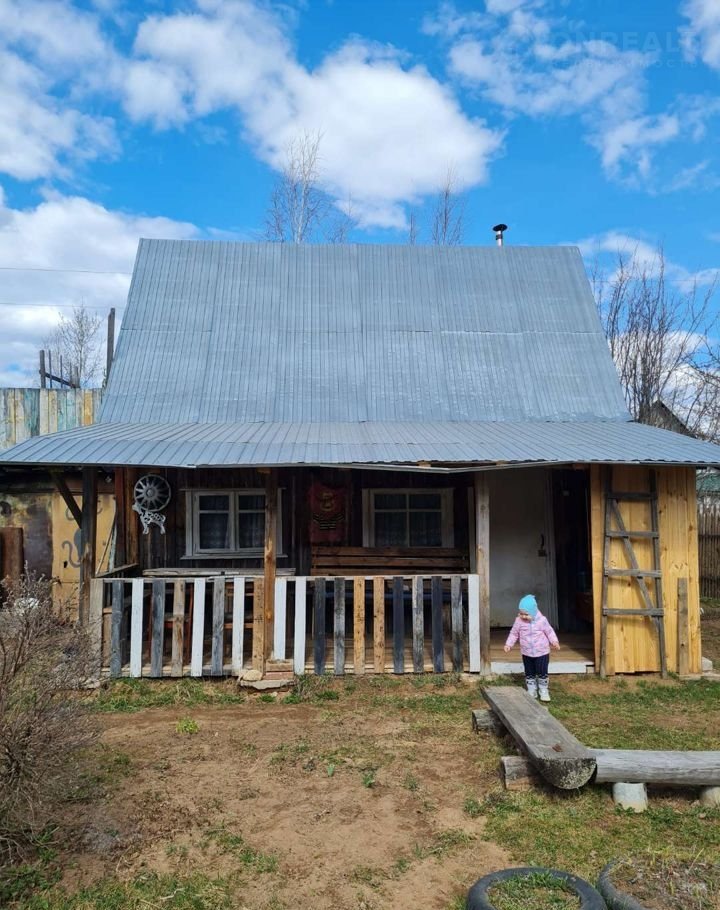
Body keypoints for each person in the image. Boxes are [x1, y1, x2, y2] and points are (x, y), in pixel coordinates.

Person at [503, 594, 560, 702]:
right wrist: (508, 644)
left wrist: (554, 641)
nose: (523, 616)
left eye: (526, 614)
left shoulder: (542, 620)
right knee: (529, 672)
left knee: (542, 671)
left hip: (542, 652)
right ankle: (531, 690)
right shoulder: (519, 621)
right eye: (521, 614)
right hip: (527, 652)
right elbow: (514, 633)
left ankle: (543, 690)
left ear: (533, 611)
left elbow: (549, 631)